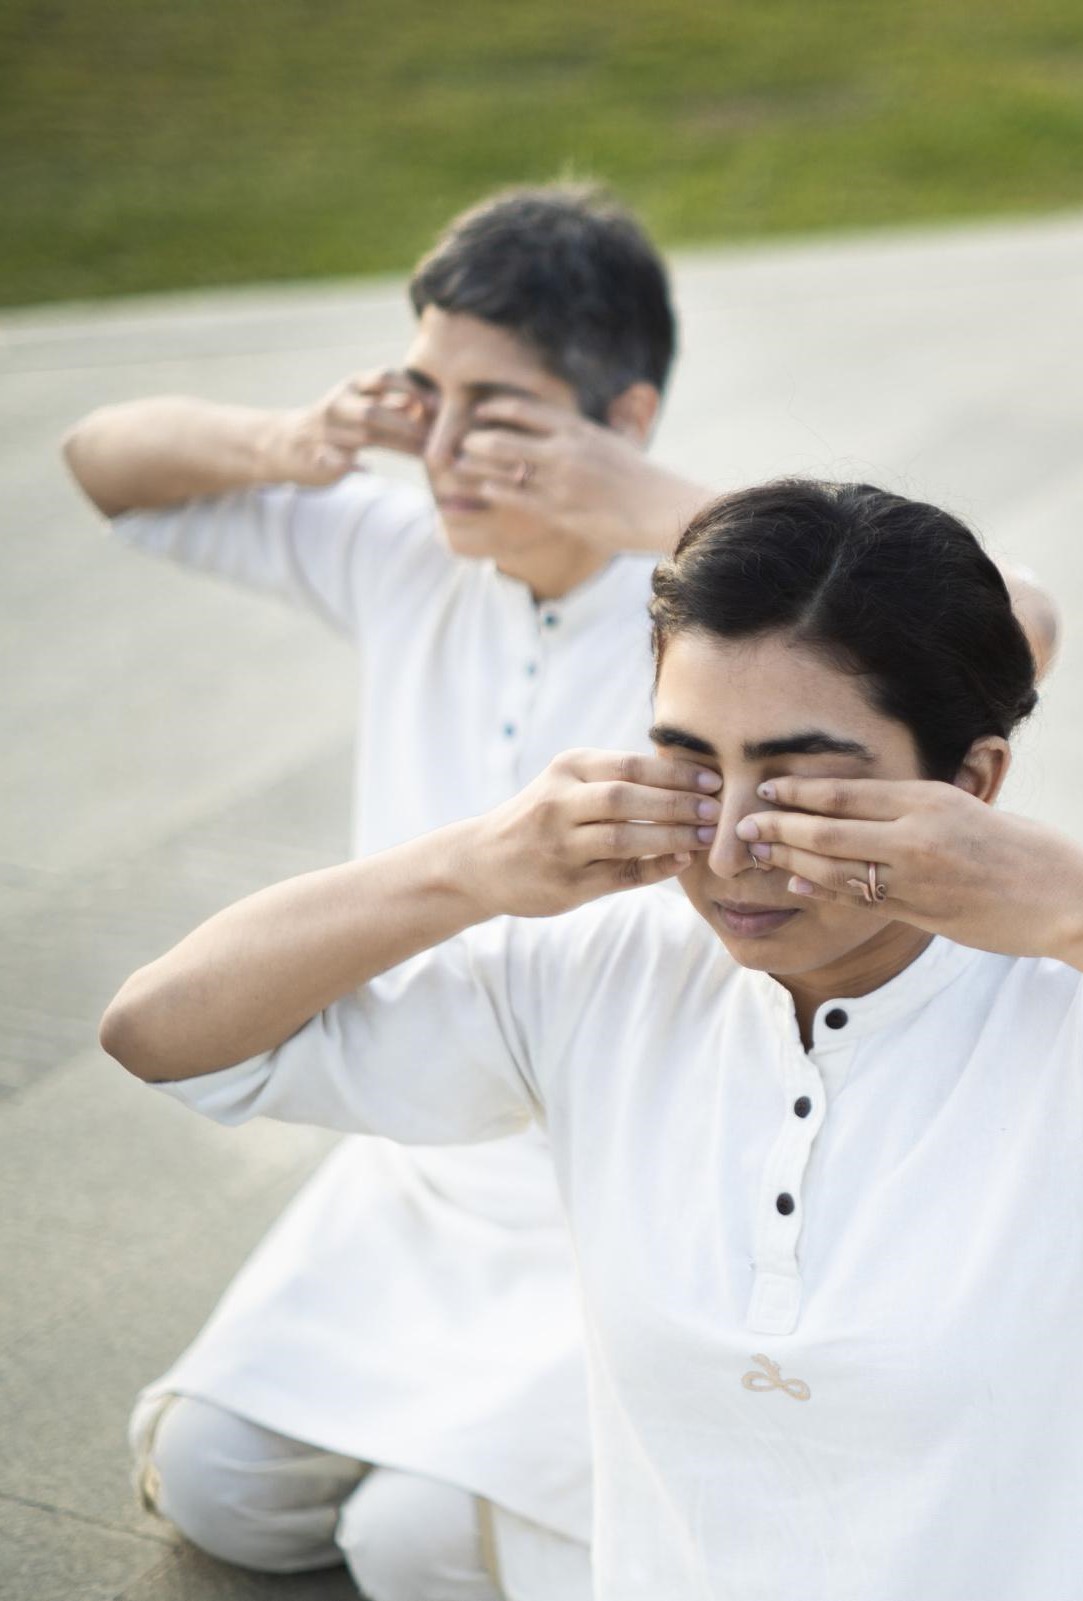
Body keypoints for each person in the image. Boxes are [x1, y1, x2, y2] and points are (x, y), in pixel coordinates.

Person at [100, 478, 1083, 1601]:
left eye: (804, 783)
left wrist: (1076, 900)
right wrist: (468, 866)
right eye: (692, 765)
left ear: (973, 781)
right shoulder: (606, 969)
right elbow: (165, 1033)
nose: (732, 845)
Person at [65, 184, 716, 1601]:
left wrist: (658, 506)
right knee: (213, 1483)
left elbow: (1001, 616)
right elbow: (102, 459)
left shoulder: (721, 613)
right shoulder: (409, 554)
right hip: (416, 1166)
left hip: (635, 1184)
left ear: (628, 414)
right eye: (429, 396)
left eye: (497, 408)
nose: (446, 446)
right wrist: (288, 442)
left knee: (417, 1542)